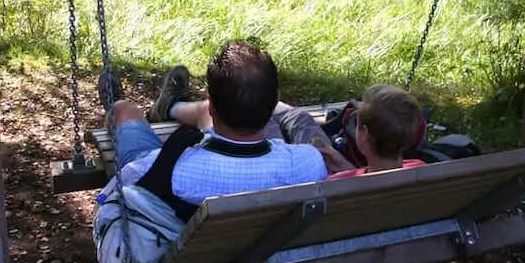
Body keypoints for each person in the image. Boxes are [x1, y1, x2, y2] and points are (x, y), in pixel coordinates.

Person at [104, 40, 330, 210]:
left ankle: (124, 104)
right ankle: (169, 106)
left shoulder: (164, 168)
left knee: (123, 110)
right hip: (268, 258)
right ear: (274, 104)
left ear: (214, 107)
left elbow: (109, 198)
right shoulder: (308, 163)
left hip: (180, 256)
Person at [161, 84, 426, 178]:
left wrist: (332, 165)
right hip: (344, 188)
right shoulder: (420, 170)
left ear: (364, 135)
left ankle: (172, 105)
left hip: (293, 171)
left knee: (261, 121)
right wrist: (342, 163)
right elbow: (370, 178)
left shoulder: (338, 186)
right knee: (298, 116)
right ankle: (256, 96)